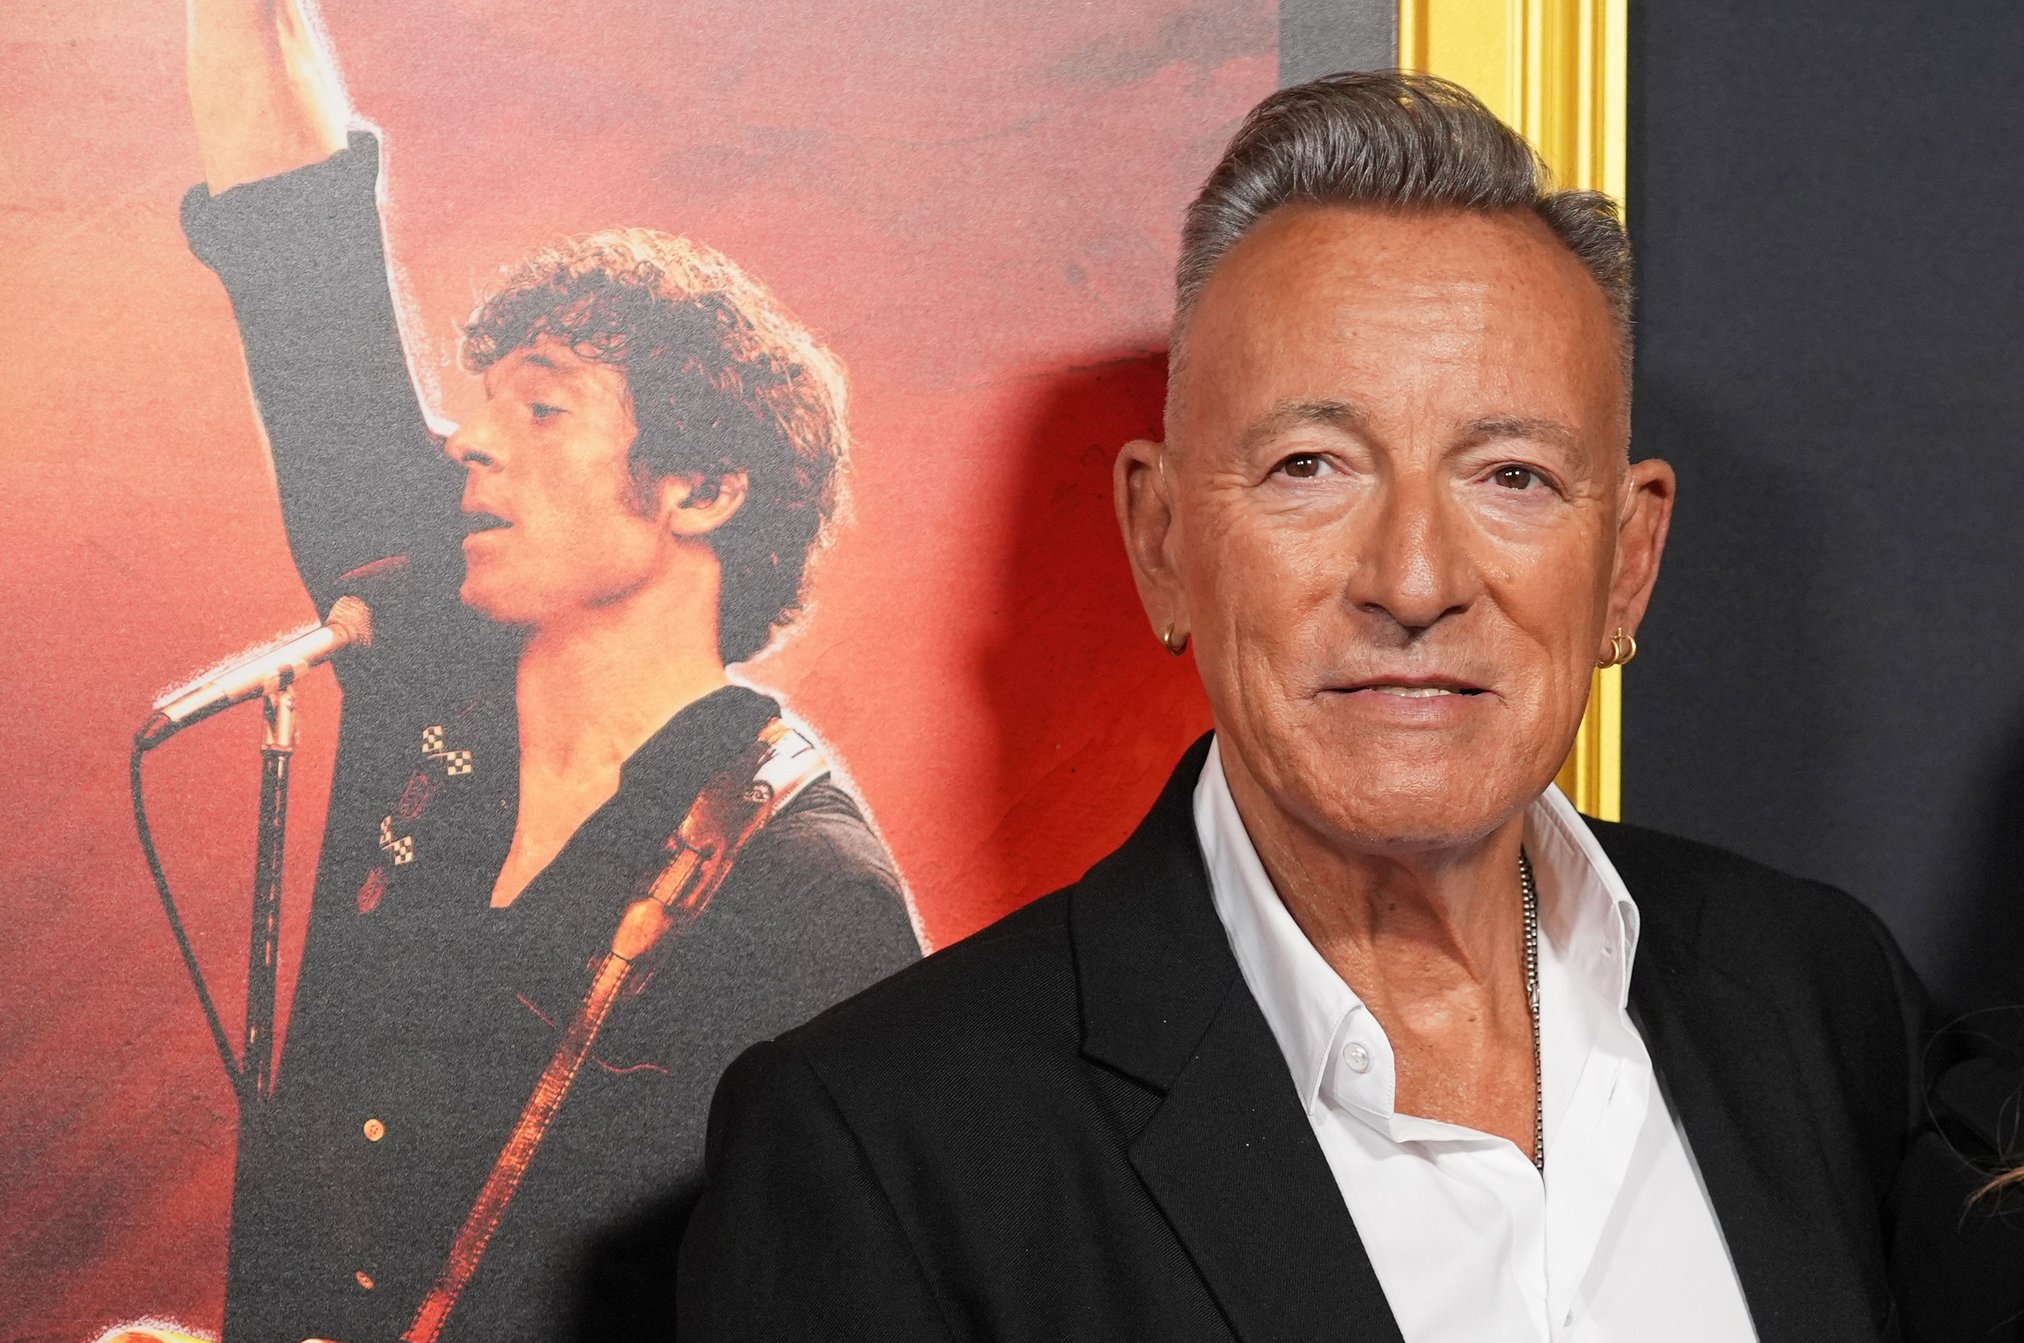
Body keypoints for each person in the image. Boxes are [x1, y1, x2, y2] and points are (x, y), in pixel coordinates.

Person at [677, 72, 1929, 1340]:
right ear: (1162, 541)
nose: (1414, 581)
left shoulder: (1818, 999)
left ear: (1626, 562)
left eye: (1511, 474)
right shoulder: (887, 1145)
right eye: (1308, 467)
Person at [172, 1, 922, 1339]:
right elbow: (295, 234)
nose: (471, 440)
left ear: (702, 486)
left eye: (542, 404)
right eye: (484, 402)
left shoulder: (812, 898)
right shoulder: (422, 644)